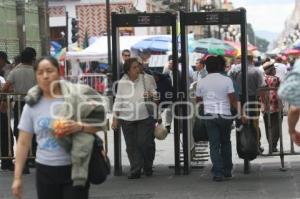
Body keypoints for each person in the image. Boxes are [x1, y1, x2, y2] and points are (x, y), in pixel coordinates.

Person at [11, 56, 105, 199]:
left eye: (50, 71)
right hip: (45, 170)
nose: (45, 76)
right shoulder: (31, 105)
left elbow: (99, 123)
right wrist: (17, 178)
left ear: (59, 72)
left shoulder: (76, 97)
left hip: (75, 167)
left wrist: (79, 127)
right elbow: (23, 142)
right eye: (40, 72)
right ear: (36, 76)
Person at [196, 56, 244, 182]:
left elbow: (199, 101)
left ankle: (218, 172)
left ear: (206, 67)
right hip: (225, 115)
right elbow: (233, 99)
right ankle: (227, 171)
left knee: (214, 144)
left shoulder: (201, 82)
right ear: (219, 66)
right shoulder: (227, 80)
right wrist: (241, 114)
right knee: (226, 142)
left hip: (209, 116)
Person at [111, 57, 157, 179]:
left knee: (144, 143)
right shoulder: (122, 82)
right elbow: (118, 100)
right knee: (131, 146)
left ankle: (147, 166)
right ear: (128, 70)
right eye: (134, 67)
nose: (138, 69)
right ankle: (136, 170)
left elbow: (156, 95)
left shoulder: (146, 79)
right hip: (127, 118)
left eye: (138, 67)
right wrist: (115, 118)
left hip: (144, 117)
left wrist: (152, 95)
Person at [260, 61, 282, 152]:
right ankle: (273, 145)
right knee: (276, 126)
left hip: (265, 106)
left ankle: (270, 144)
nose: (275, 71)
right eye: (274, 69)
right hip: (275, 105)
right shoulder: (276, 79)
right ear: (271, 70)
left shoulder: (262, 79)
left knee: (267, 126)